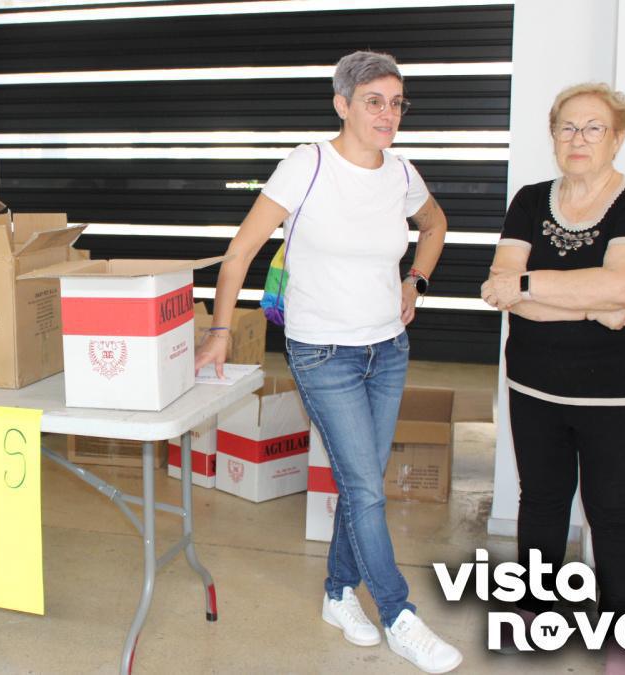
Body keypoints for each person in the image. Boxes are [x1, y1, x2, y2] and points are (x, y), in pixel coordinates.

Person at [196, 50, 461, 673]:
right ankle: (398, 613)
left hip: (387, 349)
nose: (388, 114)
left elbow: (436, 225)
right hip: (322, 352)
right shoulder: (308, 163)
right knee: (367, 487)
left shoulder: (401, 174)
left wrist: (415, 282)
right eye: (374, 101)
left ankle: (339, 592)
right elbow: (239, 254)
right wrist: (218, 330)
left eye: (396, 103)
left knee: (358, 479)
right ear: (342, 105)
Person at [482, 82, 625, 674]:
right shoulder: (530, 200)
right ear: (553, 136)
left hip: (616, 389)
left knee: (612, 509)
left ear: (617, 138)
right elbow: (499, 286)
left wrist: (532, 287)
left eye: (593, 128)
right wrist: (592, 305)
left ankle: (621, 638)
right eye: (567, 127)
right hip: (534, 384)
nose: (578, 139)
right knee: (540, 503)